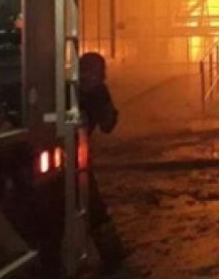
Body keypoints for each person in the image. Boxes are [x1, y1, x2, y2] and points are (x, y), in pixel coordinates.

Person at [78, 53, 127, 272]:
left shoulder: (65, 85)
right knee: (93, 205)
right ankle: (111, 254)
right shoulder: (98, 90)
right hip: (76, 156)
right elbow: (108, 125)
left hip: (63, 152)